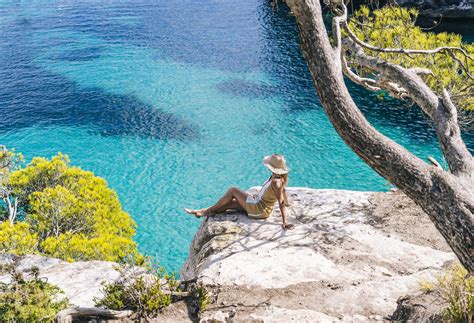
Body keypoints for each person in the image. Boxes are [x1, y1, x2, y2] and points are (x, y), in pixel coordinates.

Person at [184, 154, 295, 230]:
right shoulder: (276, 177)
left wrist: (284, 222)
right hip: (257, 203)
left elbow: (280, 200)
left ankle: (202, 212)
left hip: (259, 209)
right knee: (229, 204)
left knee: (233, 190)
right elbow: (283, 191)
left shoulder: (276, 182)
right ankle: (203, 212)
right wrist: (288, 202)